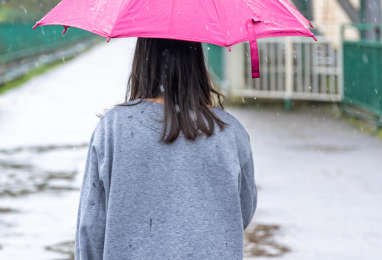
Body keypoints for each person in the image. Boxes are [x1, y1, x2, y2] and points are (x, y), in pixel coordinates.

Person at [75, 37, 257, 259]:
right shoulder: (230, 131)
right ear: (197, 61)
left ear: (142, 60)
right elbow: (240, 212)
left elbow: (91, 225)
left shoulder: (112, 129)